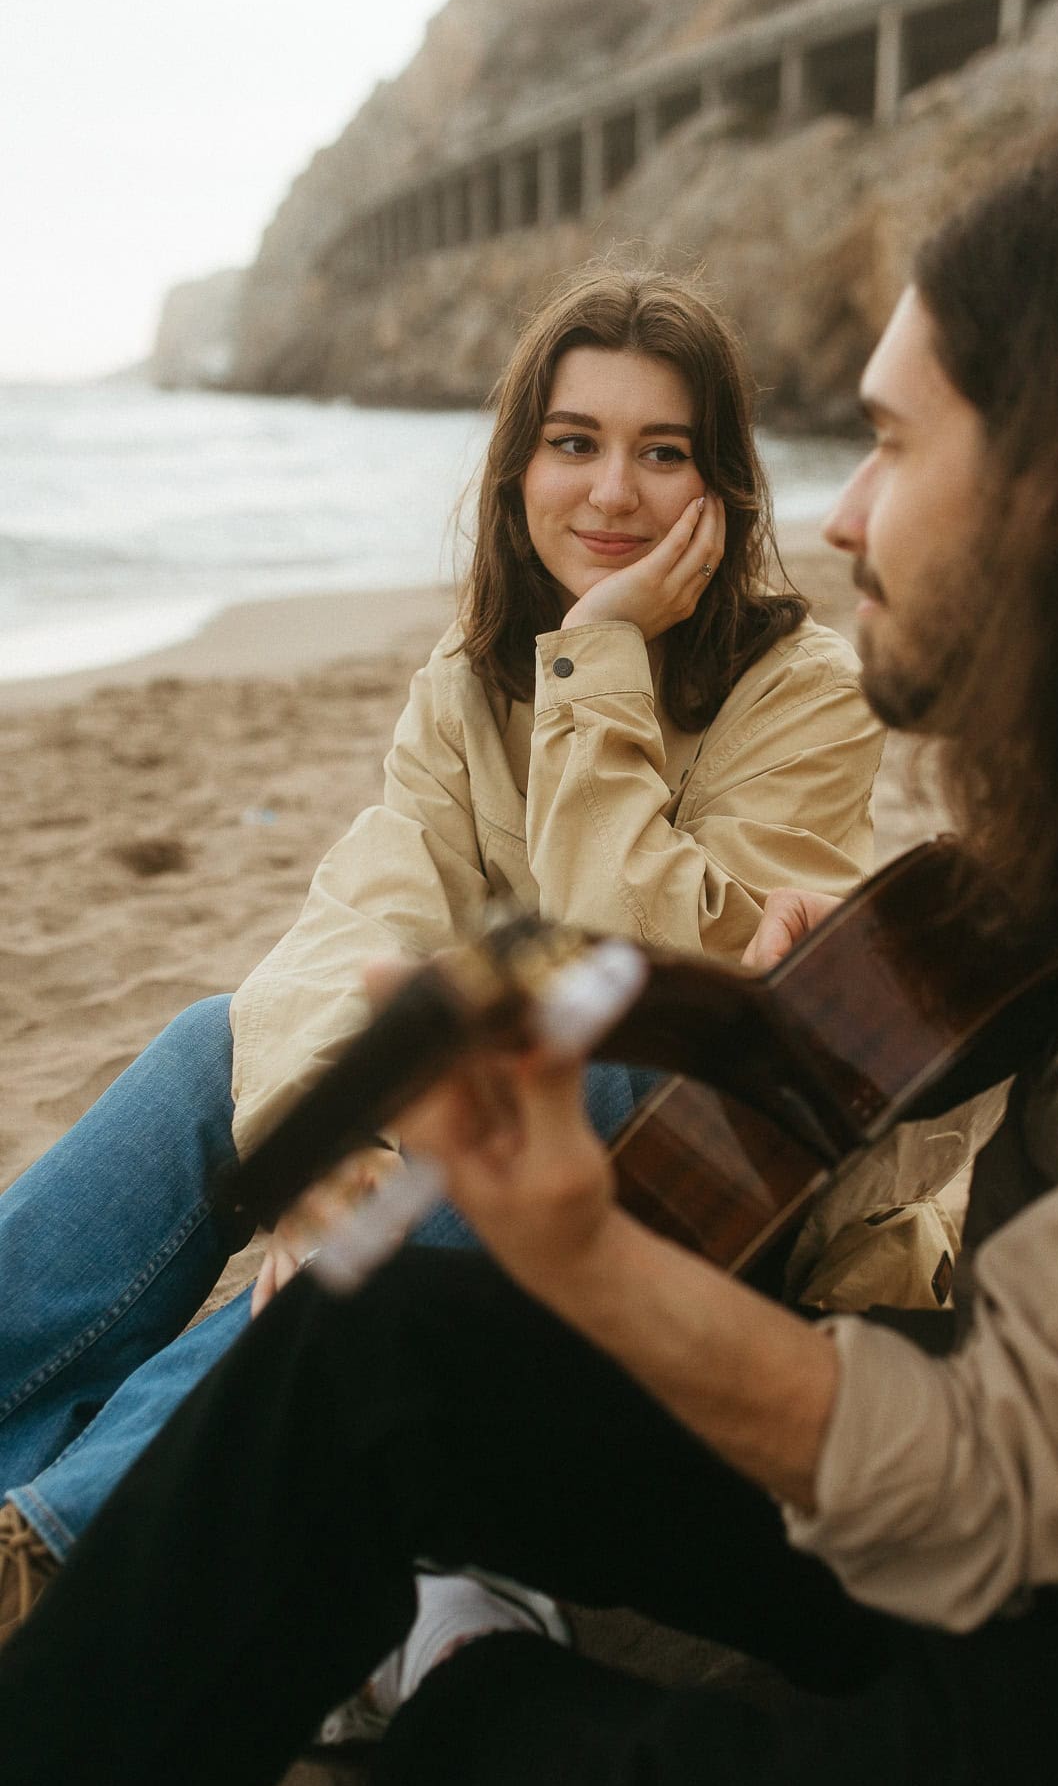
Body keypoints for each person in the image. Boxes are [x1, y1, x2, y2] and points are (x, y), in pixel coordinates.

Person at [4, 113, 1058, 1786]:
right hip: (977, 1430)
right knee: (349, 1291)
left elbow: (981, 1477)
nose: (843, 512)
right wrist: (825, 986)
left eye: (884, 446)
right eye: (572, 442)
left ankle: (461, 1652)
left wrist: (570, 1246)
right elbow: (408, 931)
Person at [0, 265, 890, 1641]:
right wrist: (323, 1164)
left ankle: (53, 1553)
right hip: (498, 1135)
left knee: (509, 1088)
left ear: (723, 487)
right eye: (573, 442)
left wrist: (599, 660)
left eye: (663, 453)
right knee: (220, 1041)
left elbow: (651, 980)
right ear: (515, 467)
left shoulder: (807, 696)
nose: (611, 493)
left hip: (697, 1191)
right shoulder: (466, 686)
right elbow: (361, 915)